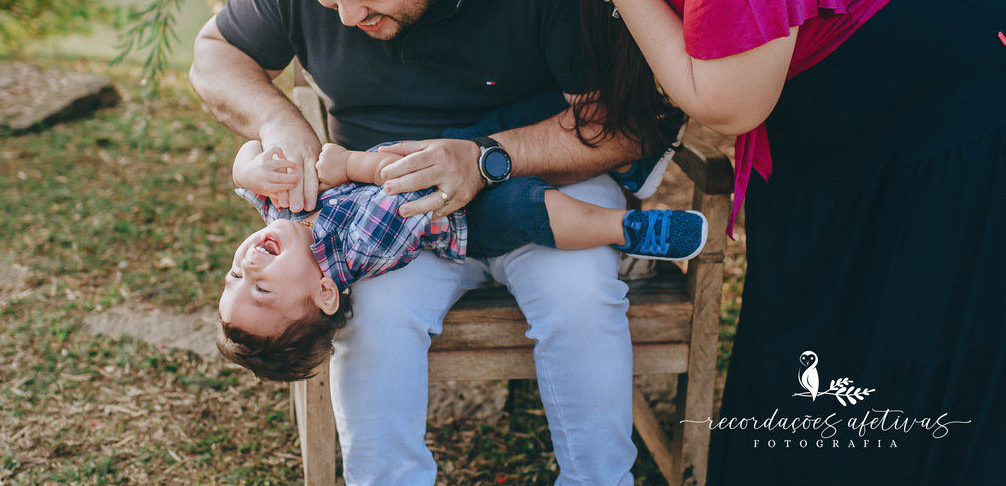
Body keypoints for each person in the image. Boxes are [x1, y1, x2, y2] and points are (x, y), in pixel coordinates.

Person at [442, 0, 1006, 486]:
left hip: (934, 103)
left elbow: (726, 101)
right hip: (820, 113)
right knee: (805, 344)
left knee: (905, 355)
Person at [190, 0, 673, 486]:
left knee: (581, 296)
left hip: (540, 186)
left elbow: (622, 127)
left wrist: (484, 159)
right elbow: (214, 55)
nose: (347, 15)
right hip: (390, 226)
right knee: (372, 326)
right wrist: (279, 120)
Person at [217, 138, 707, 381]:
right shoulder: (360, 244)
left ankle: (626, 218)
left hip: (456, 172)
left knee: (535, 198)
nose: (251, 265)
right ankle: (628, 230)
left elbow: (245, 165)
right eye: (261, 288)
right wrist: (349, 165)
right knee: (529, 208)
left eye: (235, 275)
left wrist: (251, 165)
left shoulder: (282, 214)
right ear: (324, 290)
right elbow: (414, 182)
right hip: (463, 217)